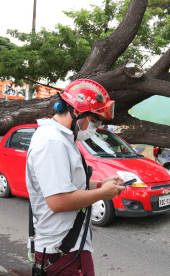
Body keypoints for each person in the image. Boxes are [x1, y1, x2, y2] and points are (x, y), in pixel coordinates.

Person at [26, 79, 126, 276]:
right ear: (77, 112)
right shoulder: (51, 142)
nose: (96, 126)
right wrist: (101, 194)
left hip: (71, 245)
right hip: (59, 250)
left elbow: (65, 182)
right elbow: (59, 201)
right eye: (95, 120)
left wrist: (100, 184)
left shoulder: (64, 138)